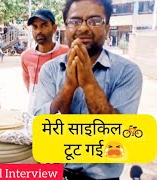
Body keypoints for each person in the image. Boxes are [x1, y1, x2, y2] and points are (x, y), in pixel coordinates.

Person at [33, 0, 142, 179]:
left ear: (107, 28)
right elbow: (38, 127)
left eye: (94, 20)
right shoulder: (50, 70)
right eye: (75, 21)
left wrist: (89, 84)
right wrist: (68, 86)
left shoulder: (127, 72)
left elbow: (120, 137)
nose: (83, 28)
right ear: (65, 28)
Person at [21, 9, 69, 113]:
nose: (39, 31)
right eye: (35, 27)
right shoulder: (26, 56)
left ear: (54, 28)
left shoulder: (67, 53)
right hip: (35, 111)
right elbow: (27, 81)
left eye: (44, 25)